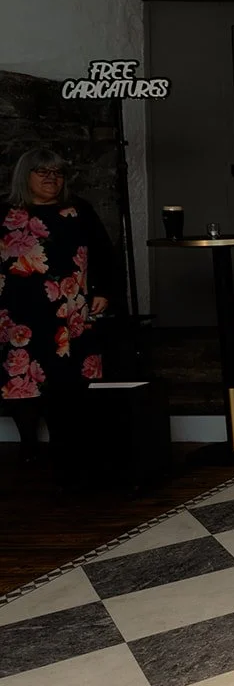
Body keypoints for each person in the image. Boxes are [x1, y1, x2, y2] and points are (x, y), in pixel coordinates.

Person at [1, 149, 120, 474]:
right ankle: (28, 445)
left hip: (70, 311)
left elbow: (104, 254)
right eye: (43, 172)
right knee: (22, 378)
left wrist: (104, 291)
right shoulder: (5, 212)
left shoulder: (79, 210)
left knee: (68, 377)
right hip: (18, 313)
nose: (51, 179)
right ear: (25, 176)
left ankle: (65, 445)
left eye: (57, 173)